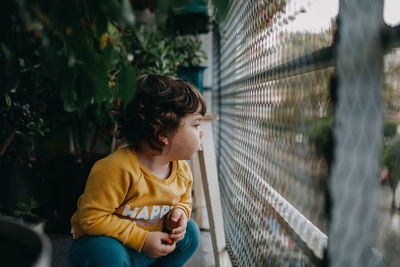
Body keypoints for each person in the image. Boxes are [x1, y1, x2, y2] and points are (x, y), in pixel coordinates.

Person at [69, 74, 206, 267]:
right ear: (163, 134)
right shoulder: (116, 169)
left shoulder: (181, 170)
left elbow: (183, 200)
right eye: (196, 124)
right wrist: (141, 239)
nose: (201, 132)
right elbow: (91, 219)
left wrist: (180, 214)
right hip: (108, 248)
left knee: (190, 232)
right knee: (104, 252)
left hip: (147, 249)